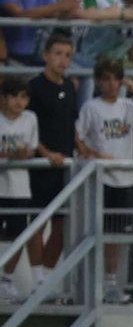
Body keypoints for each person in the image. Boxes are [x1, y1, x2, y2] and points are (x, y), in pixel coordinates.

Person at [75, 55, 133, 303]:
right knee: (97, 231)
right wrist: (94, 154)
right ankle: (94, 284)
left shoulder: (127, 106)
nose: (111, 84)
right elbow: (78, 136)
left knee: (118, 235)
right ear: (99, 82)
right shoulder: (91, 107)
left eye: (116, 79)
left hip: (125, 179)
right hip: (102, 179)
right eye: (106, 79)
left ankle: (111, 284)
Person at [27, 33, 75, 287]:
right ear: (45, 55)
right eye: (58, 54)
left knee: (61, 226)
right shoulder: (34, 87)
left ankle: (45, 277)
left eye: (68, 55)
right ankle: (36, 279)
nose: (63, 60)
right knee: (37, 221)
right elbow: (28, 128)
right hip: (41, 166)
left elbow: (72, 125)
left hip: (65, 167)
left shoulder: (70, 87)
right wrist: (46, 154)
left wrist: (83, 149)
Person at [0, 79, 41, 303]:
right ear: (4, 97)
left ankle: (6, 280)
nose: (18, 102)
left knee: (18, 236)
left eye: (23, 97)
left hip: (19, 188)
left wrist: (21, 155)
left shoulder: (30, 119)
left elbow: (31, 151)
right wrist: (10, 155)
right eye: (14, 96)